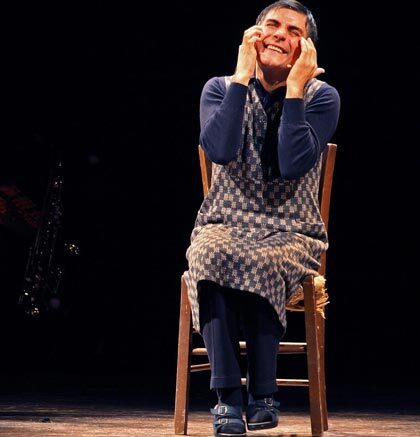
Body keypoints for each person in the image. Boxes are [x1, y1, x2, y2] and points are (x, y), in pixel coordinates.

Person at [184, 1, 340, 435]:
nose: (279, 35)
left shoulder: (322, 97)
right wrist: (241, 77)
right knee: (210, 253)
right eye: (272, 25)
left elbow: (292, 163)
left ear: (305, 47)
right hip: (224, 222)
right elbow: (219, 151)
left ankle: (264, 392)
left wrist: (295, 89)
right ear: (253, 35)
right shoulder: (219, 88)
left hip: (292, 229)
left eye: (293, 31)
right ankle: (228, 397)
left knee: (265, 258)